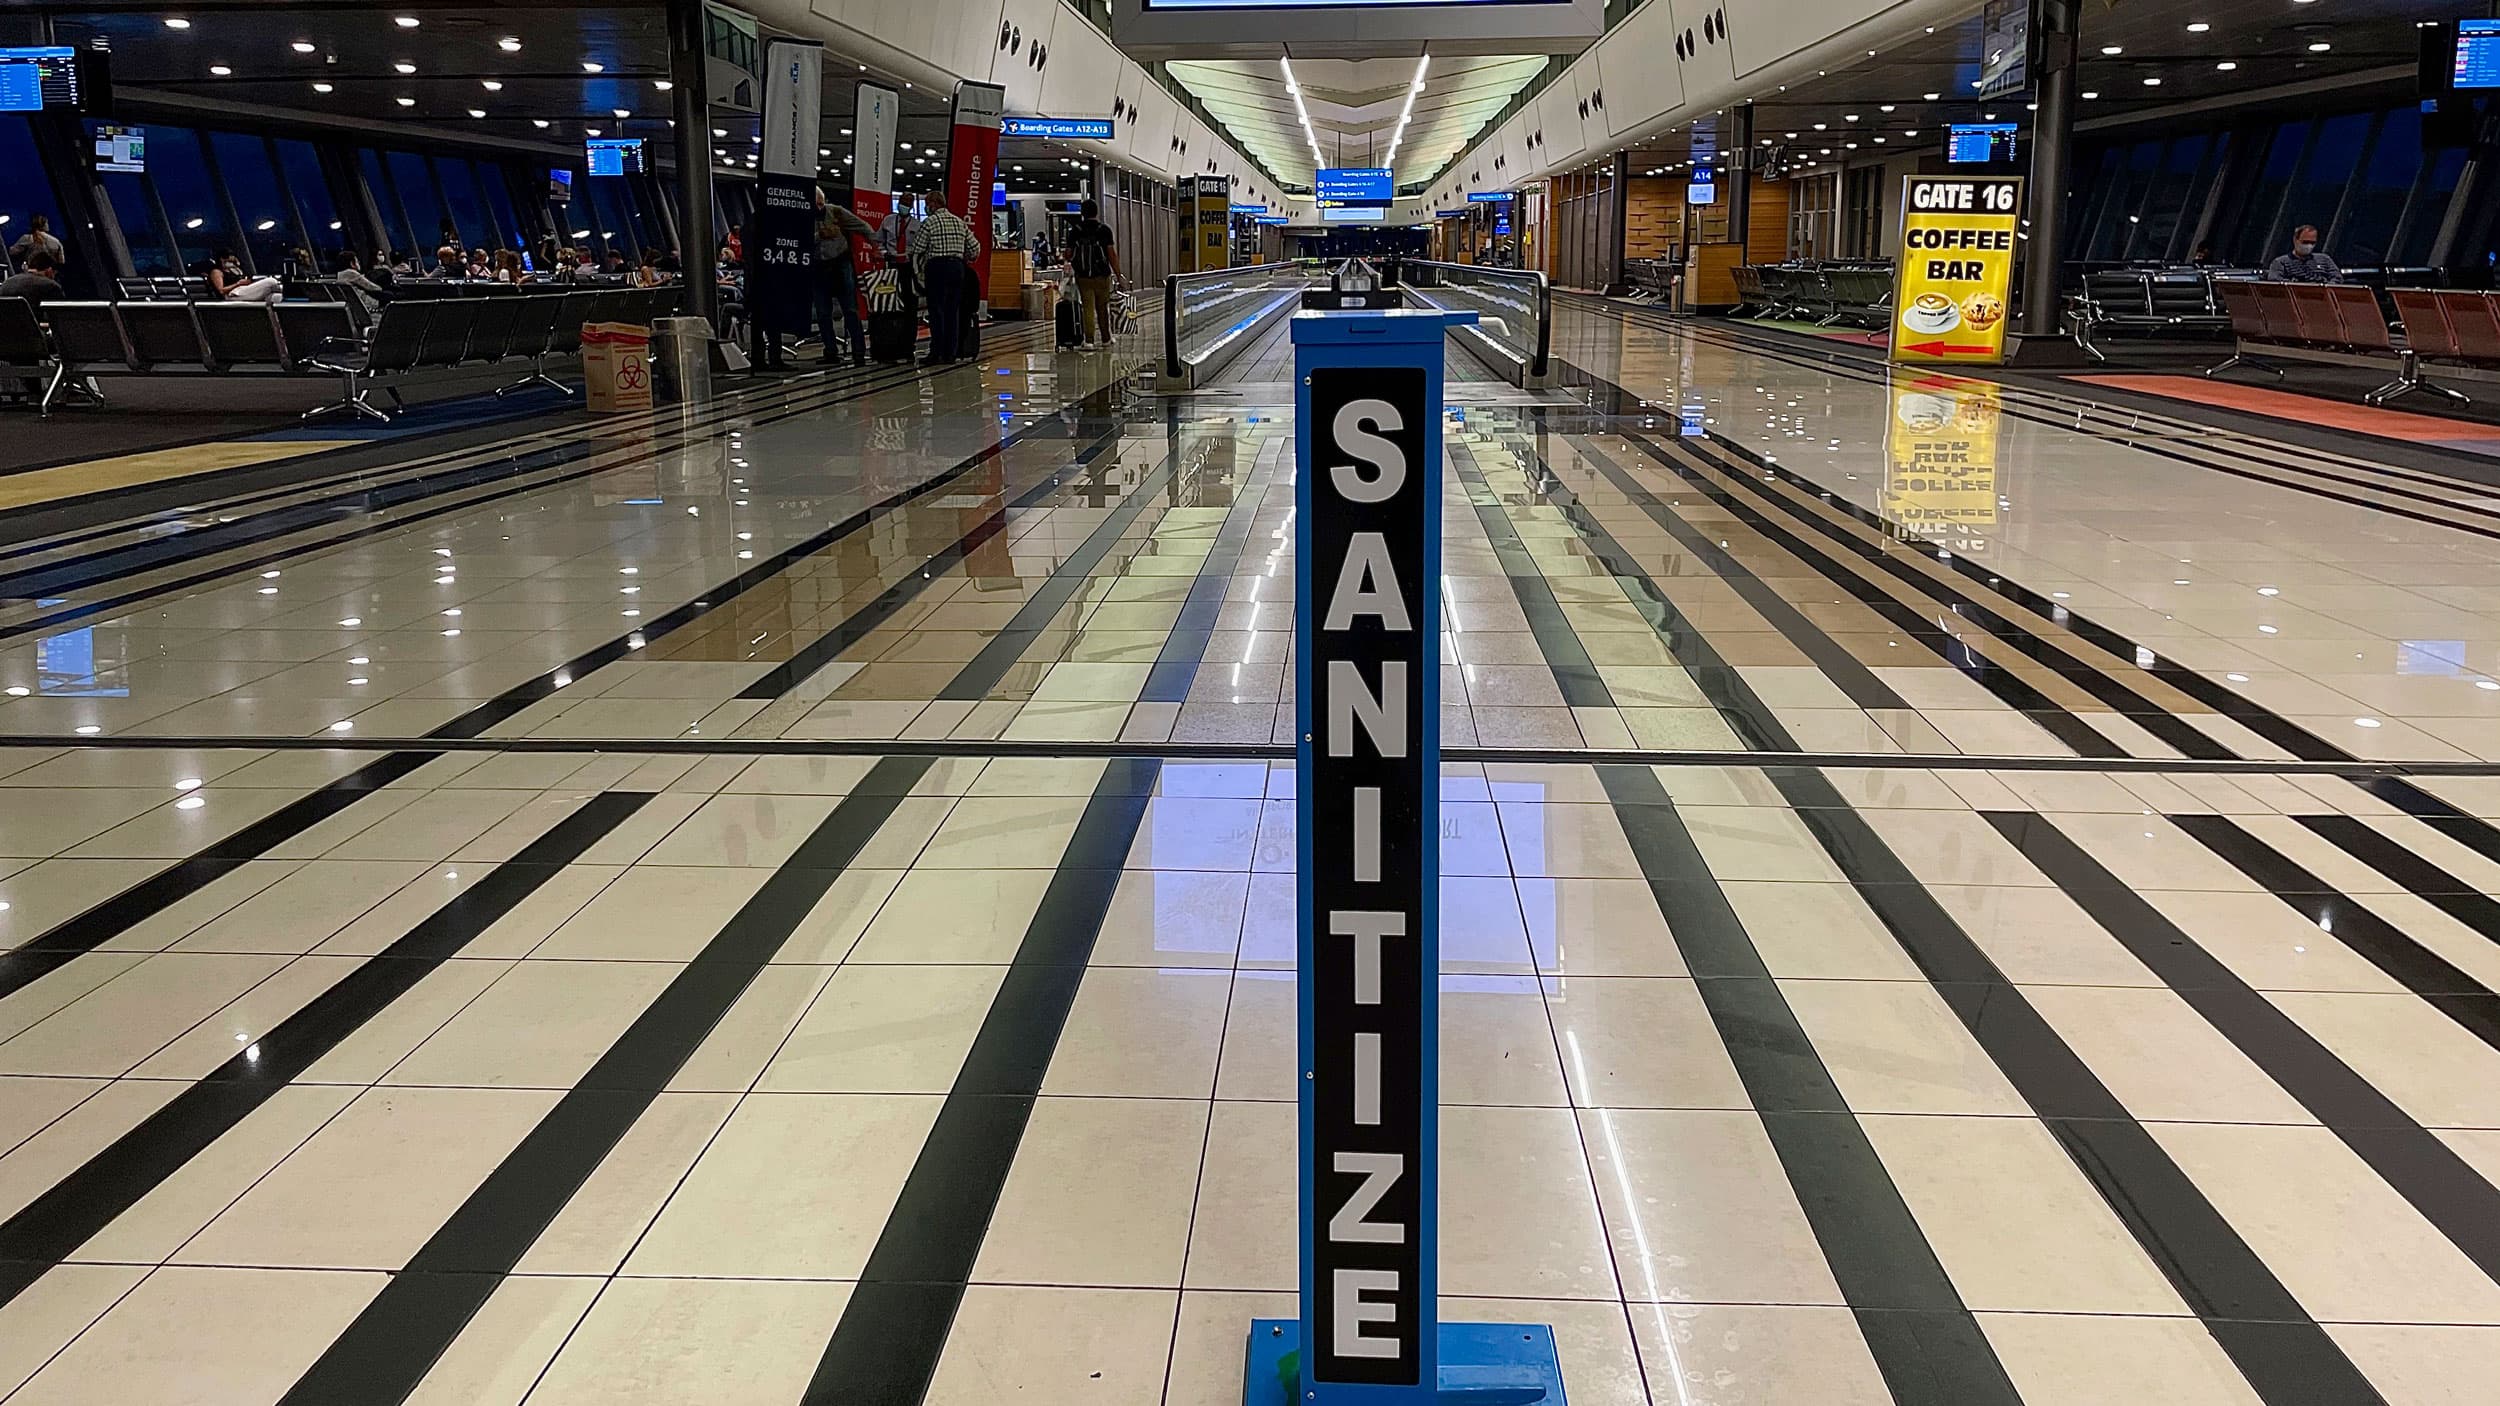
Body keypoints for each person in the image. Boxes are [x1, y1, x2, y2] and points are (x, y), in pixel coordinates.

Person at [813, 188, 875, 367]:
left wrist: (875, 245)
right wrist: (820, 236)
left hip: (840, 264)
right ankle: (830, 352)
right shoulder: (802, 215)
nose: (819, 208)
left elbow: (863, 226)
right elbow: (796, 241)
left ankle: (859, 352)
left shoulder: (837, 212)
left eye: (821, 204)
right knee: (823, 313)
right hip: (818, 267)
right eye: (816, 204)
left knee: (850, 310)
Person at [914, 195, 976, 365]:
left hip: (937, 267)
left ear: (934, 204)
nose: (927, 207)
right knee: (952, 311)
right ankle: (950, 354)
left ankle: (936, 353)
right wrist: (966, 257)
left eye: (927, 204)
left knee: (936, 311)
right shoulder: (959, 222)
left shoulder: (930, 222)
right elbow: (974, 247)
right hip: (957, 268)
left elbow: (918, 248)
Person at [1067, 199, 1121, 348]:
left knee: (1087, 307)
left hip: (1083, 276)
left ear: (1082, 213)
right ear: (1096, 212)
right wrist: (1118, 274)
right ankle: (1106, 338)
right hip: (1102, 275)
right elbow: (1111, 255)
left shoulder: (1075, 230)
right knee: (1103, 307)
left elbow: (1068, 254)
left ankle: (1089, 340)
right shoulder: (1104, 230)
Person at [2266, 225, 2340, 284]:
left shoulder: (2325, 259)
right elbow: (2275, 281)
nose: (2309, 246)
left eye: (2312, 243)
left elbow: (2338, 278)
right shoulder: (2280, 262)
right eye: (2305, 242)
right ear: (2295, 240)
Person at [206, 250, 282, 303]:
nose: (230, 263)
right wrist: (238, 284)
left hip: (243, 290)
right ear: (222, 259)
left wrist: (238, 264)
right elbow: (221, 290)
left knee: (277, 297)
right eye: (228, 261)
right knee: (271, 281)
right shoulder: (216, 272)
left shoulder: (234, 270)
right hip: (233, 294)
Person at [335, 251, 388, 320]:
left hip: (356, 306)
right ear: (352, 263)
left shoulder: (340, 275)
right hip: (366, 303)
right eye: (357, 261)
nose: (358, 264)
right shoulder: (351, 273)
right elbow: (372, 287)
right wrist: (382, 288)